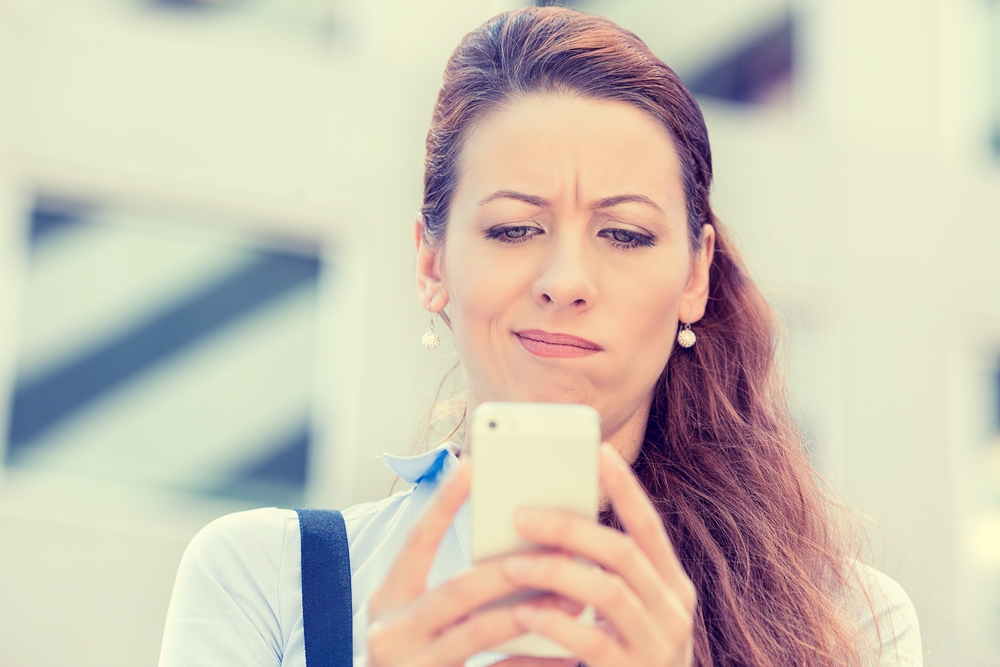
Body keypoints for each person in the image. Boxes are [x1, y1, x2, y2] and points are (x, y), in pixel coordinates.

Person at [158, 7, 922, 667]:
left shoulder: (847, 619)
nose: (566, 278)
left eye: (624, 234)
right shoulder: (266, 576)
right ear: (431, 262)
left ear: (696, 277)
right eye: (515, 227)